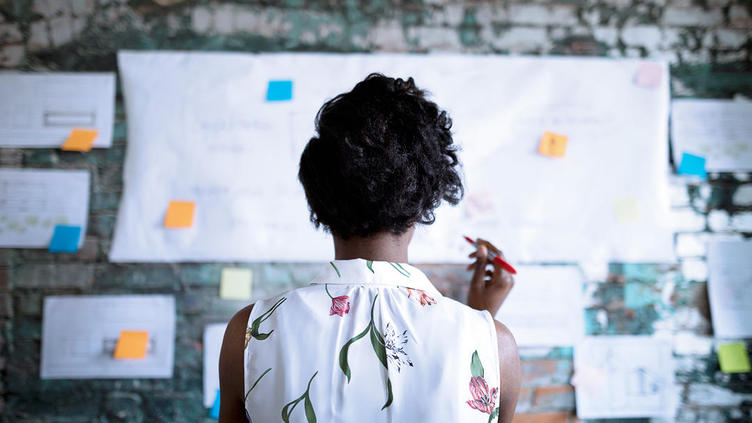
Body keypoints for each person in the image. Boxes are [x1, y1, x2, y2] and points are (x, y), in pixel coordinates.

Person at [219, 73, 520, 422]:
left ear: (318, 195)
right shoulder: (496, 346)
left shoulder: (248, 333)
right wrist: (479, 323)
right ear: (426, 198)